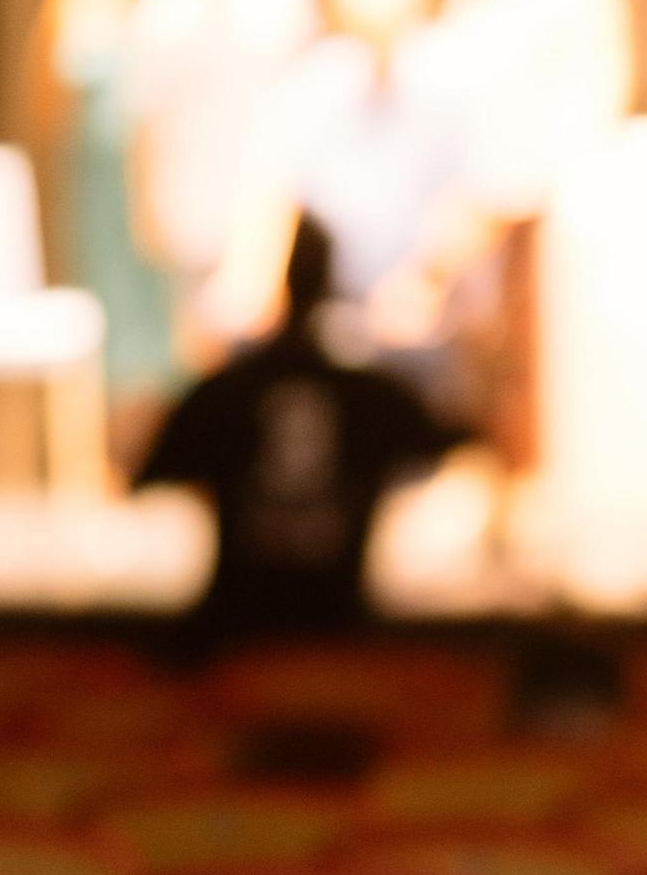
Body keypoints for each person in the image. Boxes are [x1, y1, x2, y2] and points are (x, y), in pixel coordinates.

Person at [413, 0, 634, 468]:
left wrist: (512, 190)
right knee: (478, 355)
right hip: (473, 193)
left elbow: (587, 97)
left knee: (534, 361)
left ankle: (532, 488)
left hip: (535, 197)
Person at [141, 215, 464, 632]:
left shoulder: (224, 394)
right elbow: (457, 444)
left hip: (239, 635)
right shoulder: (374, 397)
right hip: (340, 634)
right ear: (331, 280)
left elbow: (149, 473)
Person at [204, 0, 484, 409]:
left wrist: (427, 279)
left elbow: (478, 193)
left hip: (431, 293)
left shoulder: (457, 79)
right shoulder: (317, 79)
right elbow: (272, 185)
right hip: (329, 295)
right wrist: (253, 277)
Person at [29, 0, 204, 422]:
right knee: (105, 305)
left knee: (180, 311)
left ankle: (178, 435)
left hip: (177, 170)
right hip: (100, 179)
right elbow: (45, 98)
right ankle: (102, 444)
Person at [128, 0, 322, 363]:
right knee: (226, 335)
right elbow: (151, 111)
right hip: (236, 186)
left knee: (225, 333)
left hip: (228, 189)